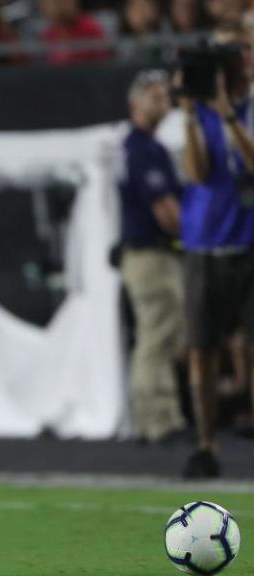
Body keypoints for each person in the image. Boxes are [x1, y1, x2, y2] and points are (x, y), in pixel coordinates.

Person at [180, 40, 254, 478]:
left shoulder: (244, 111)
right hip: (204, 244)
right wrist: (192, 112)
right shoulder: (193, 114)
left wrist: (228, 112)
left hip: (248, 242)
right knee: (201, 349)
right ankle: (206, 443)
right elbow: (197, 172)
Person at [117, 69, 186, 443]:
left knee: (153, 336)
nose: (163, 100)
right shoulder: (143, 147)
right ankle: (159, 421)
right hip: (151, 255)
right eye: (154, 95)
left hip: (143, 255)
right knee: (157, 337)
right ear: (135, 102)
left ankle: (151, 418)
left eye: (165, 95)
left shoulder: (139, 145)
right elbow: (166, 210)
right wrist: (192, 238)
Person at [39, 0, 110, 65]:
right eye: (54, 3)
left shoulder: (90, 27)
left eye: (64, 2)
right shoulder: (47, 34)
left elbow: (102, 63)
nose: (60, 7)